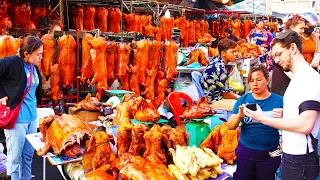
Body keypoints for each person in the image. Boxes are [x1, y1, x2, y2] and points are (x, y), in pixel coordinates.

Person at [244, 30, 320, 180]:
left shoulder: (309, 80)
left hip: (300, 159)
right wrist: (287, 114)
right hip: (294, 155)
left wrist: (263, 119)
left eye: (279, 54)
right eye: (274, 56)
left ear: (293, 48)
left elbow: (305, 126)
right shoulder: (299, 78)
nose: (276, 60)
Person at [227, 64, 283, 180]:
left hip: (269, 154)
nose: (255, 84)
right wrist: (239, 116)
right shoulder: (243, 100)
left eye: (259, 80)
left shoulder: (279, 101)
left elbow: (289, 124)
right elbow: (230, 126)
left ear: (267, 80)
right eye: (251, 81)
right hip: (245, 152)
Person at [0, 36, 43, 180]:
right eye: (38, 54)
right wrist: (2, 94)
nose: (41, 57)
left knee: (27, 156)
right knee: (15, 158)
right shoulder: (12, 62)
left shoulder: (33, 66)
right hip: (17, 120)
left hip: (32, 118)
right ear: (26, 54)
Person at [200, 38, 239, 103]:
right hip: (212, 100)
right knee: (242, 106)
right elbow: (226, 95)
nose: (236, 54)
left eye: (237, 51)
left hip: (215, 95)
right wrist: (239, 99)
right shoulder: (221, 69)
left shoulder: (216, 59)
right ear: (223, 53)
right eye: (233, 52)